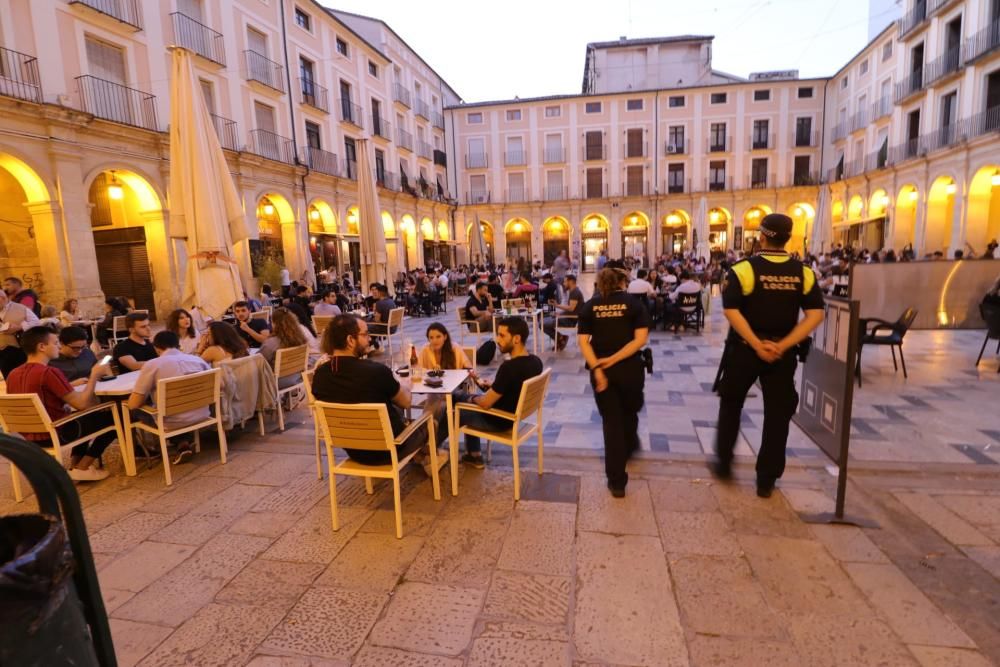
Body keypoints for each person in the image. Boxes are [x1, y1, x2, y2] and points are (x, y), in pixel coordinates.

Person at [710, 214, 825, 498]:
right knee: (778, 414)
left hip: (745, 350)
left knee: (731, 403)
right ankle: (766, 479)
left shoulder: (744, 269)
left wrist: (757, 343)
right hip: (782, 354)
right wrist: (783, 344)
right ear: (787, 238)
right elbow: (816, 315)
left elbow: (731, 310)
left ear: (761, 237)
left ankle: (724, 462)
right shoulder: (804, 272)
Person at [311, 314, 435, 466]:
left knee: (390, 404)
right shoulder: (376, 371)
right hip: (392, 450)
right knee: (434, 419)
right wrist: (406, 384)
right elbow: (406, 402)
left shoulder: (320, 375)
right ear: (350, 340)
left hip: (354, 451)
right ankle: (429, 458)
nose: (369, 339)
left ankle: (422, 457)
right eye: (365, 334)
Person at [578, 261, 650, 497]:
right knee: (629, 414)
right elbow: (640, 340)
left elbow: (583, 343)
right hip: (630, 370)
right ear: (622, 282)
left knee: (611, 423)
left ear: (600, 284)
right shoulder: (634, 304)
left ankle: (617, 482)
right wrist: (616, 358)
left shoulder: (590, 306)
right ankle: (628, 449)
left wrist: (599, 368)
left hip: (603, 373)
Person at [6, 326, 114, 481]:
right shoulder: (48, 372)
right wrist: (94, 376)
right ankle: (83, 467)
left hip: (28, 436)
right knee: (112, 417)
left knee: (82, 419)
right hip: (56, 433)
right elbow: (81, 404)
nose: (58, 346)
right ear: (42, 347)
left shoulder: (13, 374)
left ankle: (75, 465)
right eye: (55, 342)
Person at [456, 317, 543, 469]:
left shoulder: (508, 368)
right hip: (513, 415)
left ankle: (430, 453)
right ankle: (474, 454)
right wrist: (492, 386)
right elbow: (512, 387)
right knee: (459, 399)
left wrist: (472, 398)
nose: (497, 339)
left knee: (451, 406)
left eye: (502, 335)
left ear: (516, 339)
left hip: (499, 421)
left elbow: (485, 403)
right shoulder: (536, 362)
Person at [126, 330, 213, 464]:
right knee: (171, 407)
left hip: (172, 421)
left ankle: (135, 455)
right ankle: (182, 443)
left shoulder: (153, 365)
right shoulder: (197, 360)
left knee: (131, 410)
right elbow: (219, 385)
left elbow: (134, 403)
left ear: (157, 348)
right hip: (202, 413)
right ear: (178, 344)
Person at [259, 307, 313, 387]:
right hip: (298, 378)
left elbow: (260, 361)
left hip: (277, 382)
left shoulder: (270, 343)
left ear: (274, 323)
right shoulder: (301, 339)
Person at [0, 289, 41, 378]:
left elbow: (36, 322)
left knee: (27, 376)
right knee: (9, 378)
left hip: (20, 349)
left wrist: (20, 327)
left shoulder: (21, 308)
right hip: (2, 353)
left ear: (3, 298)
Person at [543, 273, 584, 350]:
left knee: (542, 324)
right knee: (544, 321)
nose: (563, 284)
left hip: (570, 320)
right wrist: (559, 313)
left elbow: (571, 308)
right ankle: (561, 338)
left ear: (571, 282)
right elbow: (571, 309)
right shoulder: (573, 291)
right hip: (568, 317)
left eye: (565, 282)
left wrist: (556, 305)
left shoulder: (575, 292)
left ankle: (561, 338)